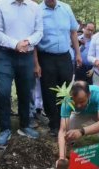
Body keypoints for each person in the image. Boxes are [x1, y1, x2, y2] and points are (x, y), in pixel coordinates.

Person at [0, 0, 43, 145]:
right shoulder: (0, 5)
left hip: (27, 56)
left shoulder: (34, 7)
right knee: (3, 92)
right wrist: (15, 44)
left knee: (25, 92)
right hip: (5, 55)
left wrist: (27, 42)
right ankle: (5, 129)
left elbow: (39, 31)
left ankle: (25, 125)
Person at [37, 0, 82, 137]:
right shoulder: (37, 11)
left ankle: (65, 123)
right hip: (45, 57)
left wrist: (78, 53)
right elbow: (34, 39)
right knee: (49, 92)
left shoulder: (66, 8)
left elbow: (73, 32)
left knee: (66, 91)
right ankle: (54, 125)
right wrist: (36, 63)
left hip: (64, 57)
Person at [57, 81, 99, 169]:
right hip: (80, 113)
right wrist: (61, 158)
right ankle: (67, 148)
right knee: (68, 125)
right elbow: (62, 130)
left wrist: (81, 131)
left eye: (81, 101)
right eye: (75, 102)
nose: (78, 105)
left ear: (89, 95)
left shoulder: (98, 93)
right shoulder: (67, 100)